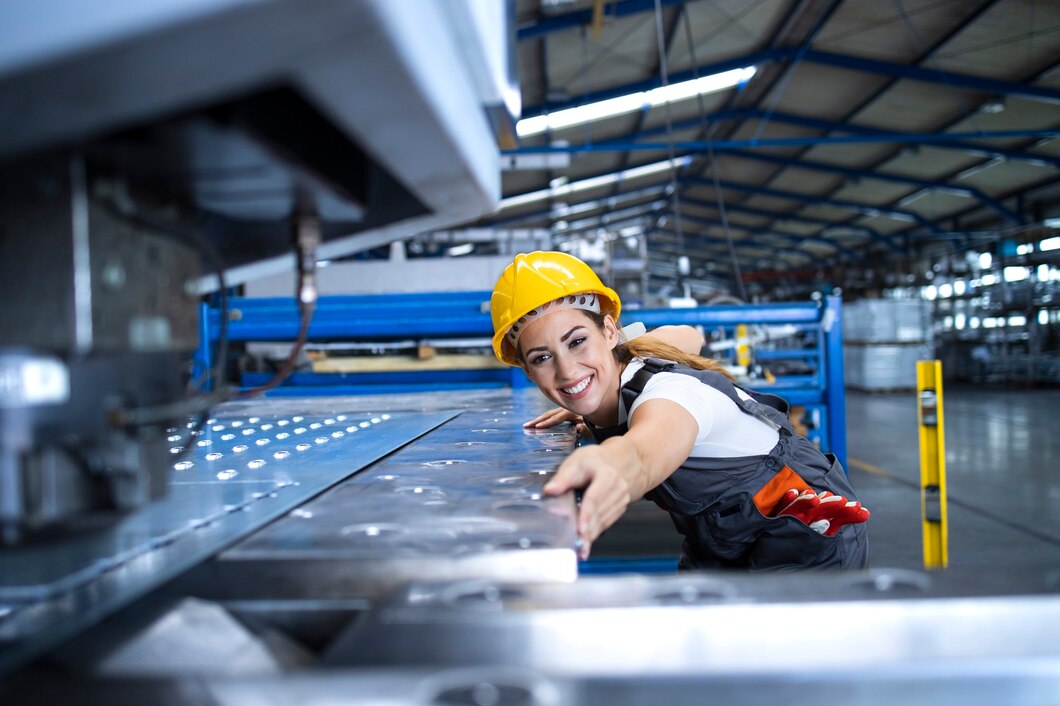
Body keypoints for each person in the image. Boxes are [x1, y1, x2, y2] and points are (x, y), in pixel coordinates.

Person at [490, 251, 869, 571]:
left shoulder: (670, 394)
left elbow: (642, 454)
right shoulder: (629, 358)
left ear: (609, 331)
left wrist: (610, 464)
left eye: (577, 342)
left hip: (807, 525)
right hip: (726, 534)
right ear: (527, 371)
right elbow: (690, 335)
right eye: (542, 357)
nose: (567, 370)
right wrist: (595, 408)